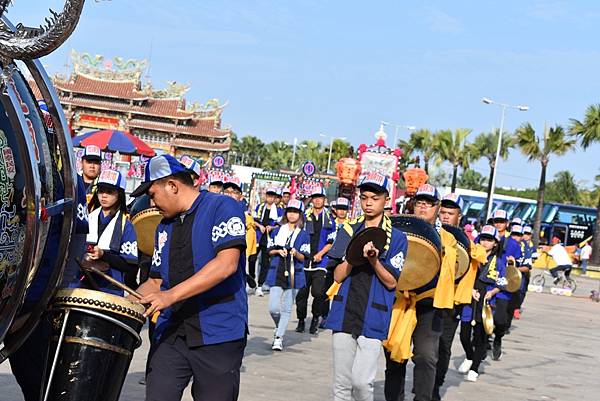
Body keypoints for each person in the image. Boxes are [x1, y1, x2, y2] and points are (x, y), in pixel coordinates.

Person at [133, 154, 247, 401]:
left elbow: (226, 265)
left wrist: (170, 295)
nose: (151, 203)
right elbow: (155, 281)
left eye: (152, 194)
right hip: (172, 331)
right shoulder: (163, 226)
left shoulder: (223, 207)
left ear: (172, 185)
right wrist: (125, 302)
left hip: (218, 332)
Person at [324, 172, 408, 401]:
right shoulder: (348, 230)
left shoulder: (398, 238)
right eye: (364, 197)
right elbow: (338, 277)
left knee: (362, 383)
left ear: (386, 199)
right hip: (344, 312)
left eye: (375, 197)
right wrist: (353, 256)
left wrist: (373, 260)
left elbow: (392, 282)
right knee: (341, 385)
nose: (368, 202)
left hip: (374, 313)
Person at [384, 185, 459, 401]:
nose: (423, 207)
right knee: (395, 356)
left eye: (429, 203)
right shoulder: (397, 231)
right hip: (400, 301)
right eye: (419, 202)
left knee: (426, 356)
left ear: (437, 207)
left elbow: (454, 269)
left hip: (429, 303)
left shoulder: (447, 238)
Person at [458, 225, 509, 382]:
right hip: (469, 299)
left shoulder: (499, 262)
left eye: (489, 240)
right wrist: (469, 290)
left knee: (481, 337)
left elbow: (502, 283)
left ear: (495, 243)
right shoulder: (471, 257)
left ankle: (475, 368)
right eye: (483, 239)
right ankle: (469, 356)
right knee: (464, 335)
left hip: (486, 302)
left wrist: (492, 292)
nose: (485, 242)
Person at [81, 169, 138, 295]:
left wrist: (103, 256)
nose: (104, 196)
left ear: (119, 194)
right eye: (101, 191)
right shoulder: (87, 218)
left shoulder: (126, 226)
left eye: (109, 192)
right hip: (81, 284)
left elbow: (130, 266)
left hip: (110, 290)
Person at [266, 199, 310, 350]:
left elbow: (305, 256)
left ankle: (279, 337)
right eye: (290, 211)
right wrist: (278, 251)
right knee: (273, 308)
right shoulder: (278, 230)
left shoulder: (303, 235)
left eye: (295, 212)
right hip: (277, 271)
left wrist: (296, 253)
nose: (292, 215)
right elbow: (269, 250)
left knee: (286, 308)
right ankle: (279, 327)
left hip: (294, 274)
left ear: (300, 215)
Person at [296, 187, 337, 334]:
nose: (318, 200)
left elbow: (331, 241)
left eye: (320, 197)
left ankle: (315, 318)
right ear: (312, 199)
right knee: (301, 294)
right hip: (304, 260)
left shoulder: (330, 219)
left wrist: (320, 254)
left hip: (321, 262)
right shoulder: (304, 217)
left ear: (325, 199)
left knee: (319, 293)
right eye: (315, 197)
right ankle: (301, 320)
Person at [223, 176, 258, 291]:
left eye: (234, 192)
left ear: (241, 197)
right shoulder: (213, 210)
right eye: (227, 191)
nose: (230, 194)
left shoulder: (241, 214)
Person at [250, 187, 283, 296]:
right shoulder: (260, 207)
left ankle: (260, 285)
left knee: (265, 263)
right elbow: (253, 220)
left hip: (269, 240)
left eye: (272, 196)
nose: (270, 198)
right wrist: (260, 226)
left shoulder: (279, 211)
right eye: (268, 195)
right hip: (258, 237)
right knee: (252, 259)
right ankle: (251, 280)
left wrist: (271, 228)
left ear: (275, 198)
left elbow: (280, 225)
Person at [514, 225, 534, 319]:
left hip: (524, 273)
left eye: (528, 234)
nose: (526, 236)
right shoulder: (511, 243)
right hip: (512, 273)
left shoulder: (531, 246)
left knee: (521, 291)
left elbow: (529, 264)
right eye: (524, 233)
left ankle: (516, 308)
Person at [80, 144, 102, 209]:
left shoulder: (104, 187)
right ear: (82, 163)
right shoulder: (73, 183)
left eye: (96, 163)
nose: (92, 166)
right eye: (89, 162)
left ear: (100, 165)